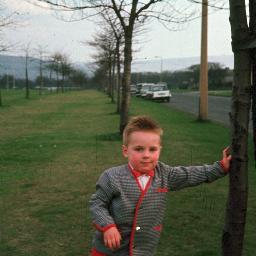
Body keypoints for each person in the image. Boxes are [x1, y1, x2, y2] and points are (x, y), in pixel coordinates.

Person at [89, 116, 231, 256]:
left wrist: (220, 168)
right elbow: (97, 203)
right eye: (139, 149)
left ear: (160, 150)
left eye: (152, 149)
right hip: (109, 250)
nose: (146, 155)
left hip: (144, 250)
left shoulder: (164, 174)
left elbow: (190, 174)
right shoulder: (111, 176)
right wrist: (108, 226)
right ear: (126, 151)